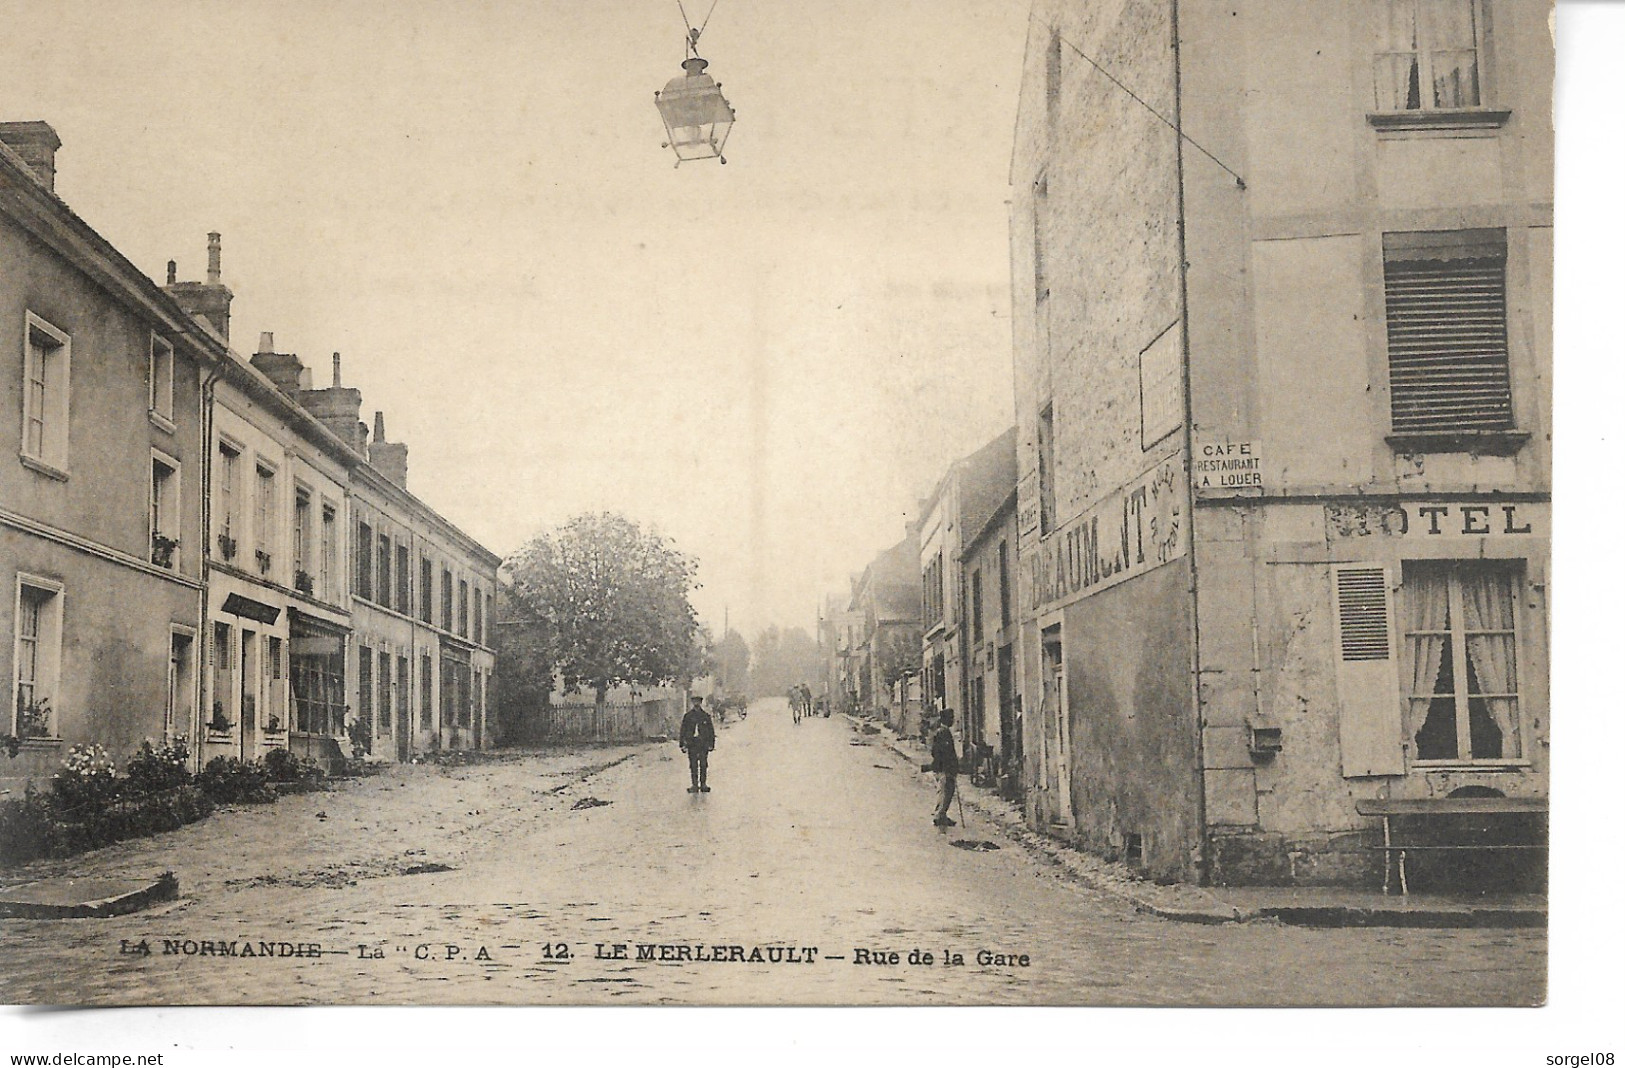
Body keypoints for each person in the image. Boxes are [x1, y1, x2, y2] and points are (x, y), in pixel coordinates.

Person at [922, 708, 959, 827]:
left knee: (946, 791)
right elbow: (939, 753)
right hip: (945, 768)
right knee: (945, 792)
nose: (952, 720)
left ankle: (942, 814)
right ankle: (939, 815)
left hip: (945, 767)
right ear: (945, 719)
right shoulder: (943, 733)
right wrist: (947, 766)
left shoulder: (943, 732)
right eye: (950, 718)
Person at [679, 695, 716, 793]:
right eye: (694, 702)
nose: (696, 704)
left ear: (700, 703)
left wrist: (711, 744)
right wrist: (682, 744)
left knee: (703, 764)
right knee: (693, 765)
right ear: (692, 703)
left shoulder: (705, 716)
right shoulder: (688, 716)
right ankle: (694, 785)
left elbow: (711, 731)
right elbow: (683, 730)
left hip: (703, 744)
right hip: (692, 744)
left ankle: (703, 784)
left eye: (698, 702)